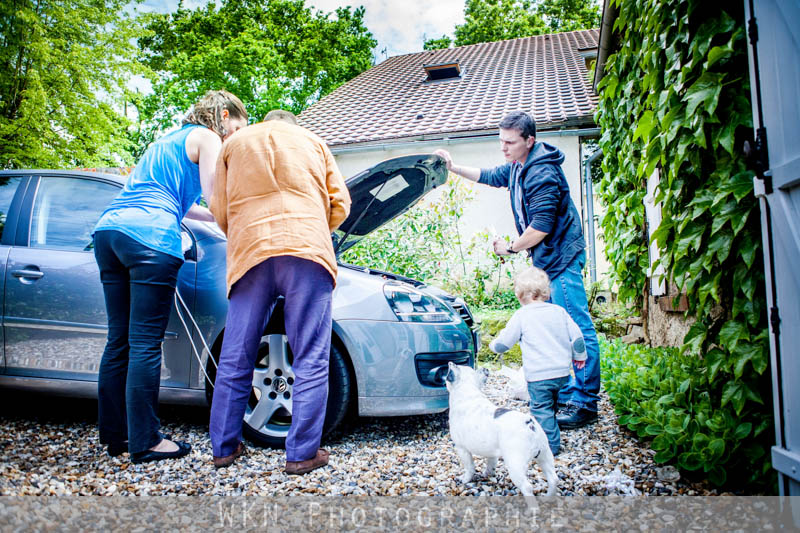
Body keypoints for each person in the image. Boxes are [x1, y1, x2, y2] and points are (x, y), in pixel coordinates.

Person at [93, 90, 248, 464]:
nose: (233, 139)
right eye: (237, 129)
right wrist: (243, 228)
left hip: (109, 232)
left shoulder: (166, 141)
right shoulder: (208, 136)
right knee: (145, 342)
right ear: (223, 116)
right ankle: (146, 441)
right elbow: (215, 198)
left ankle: (117, 437)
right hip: (149, 240)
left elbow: (190, 208)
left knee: (120, 341)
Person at [434, 110, 600, 429]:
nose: (504, 147)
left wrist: (510, 248)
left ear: (529, 140)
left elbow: (540, 227)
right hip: (547, 260)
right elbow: (489, 175)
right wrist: (453, 168)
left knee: (575, 327)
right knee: (552, 329)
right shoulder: (517, 166)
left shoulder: (542, 174)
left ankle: (585, 402)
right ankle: (564, 393)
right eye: (501, 141)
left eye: (510, 142)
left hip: (562, 259)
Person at [208, 109, 351, 473]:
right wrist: (316, 228)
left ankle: (224, 448)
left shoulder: (234, 144)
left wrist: (244, 233)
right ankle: (302, 454)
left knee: (235, 355)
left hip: (251, 253)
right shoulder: (315, 142)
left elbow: (219, 208)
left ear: (265, 121)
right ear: (292, 125)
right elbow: (341, 204)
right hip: (306, 251)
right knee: (311, 357)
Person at [489, 267, 587, 455]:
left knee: (541, 409)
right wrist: (579, 357)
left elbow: (505, 341)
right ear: (546, 292)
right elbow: (577, 338)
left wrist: (494, 346)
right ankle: (552, 427)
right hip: (562, 374)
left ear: (519, 295)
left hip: (539, 376)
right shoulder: (559, 311)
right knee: (552, 402)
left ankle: (550, 447)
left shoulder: (522, 315)